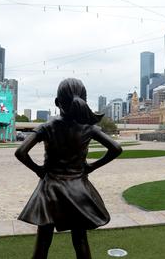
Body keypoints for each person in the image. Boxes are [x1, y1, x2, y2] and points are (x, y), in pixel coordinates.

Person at [15, 78, 122, 259]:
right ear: (84, 101)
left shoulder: (47, 127)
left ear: (57, 103)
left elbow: (21, 152)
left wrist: (39, 170)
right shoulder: (89, 128)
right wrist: (91, 168)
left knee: (43, 241)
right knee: (80, 240)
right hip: (78, 189)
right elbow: (116, 149)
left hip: (50, 191)